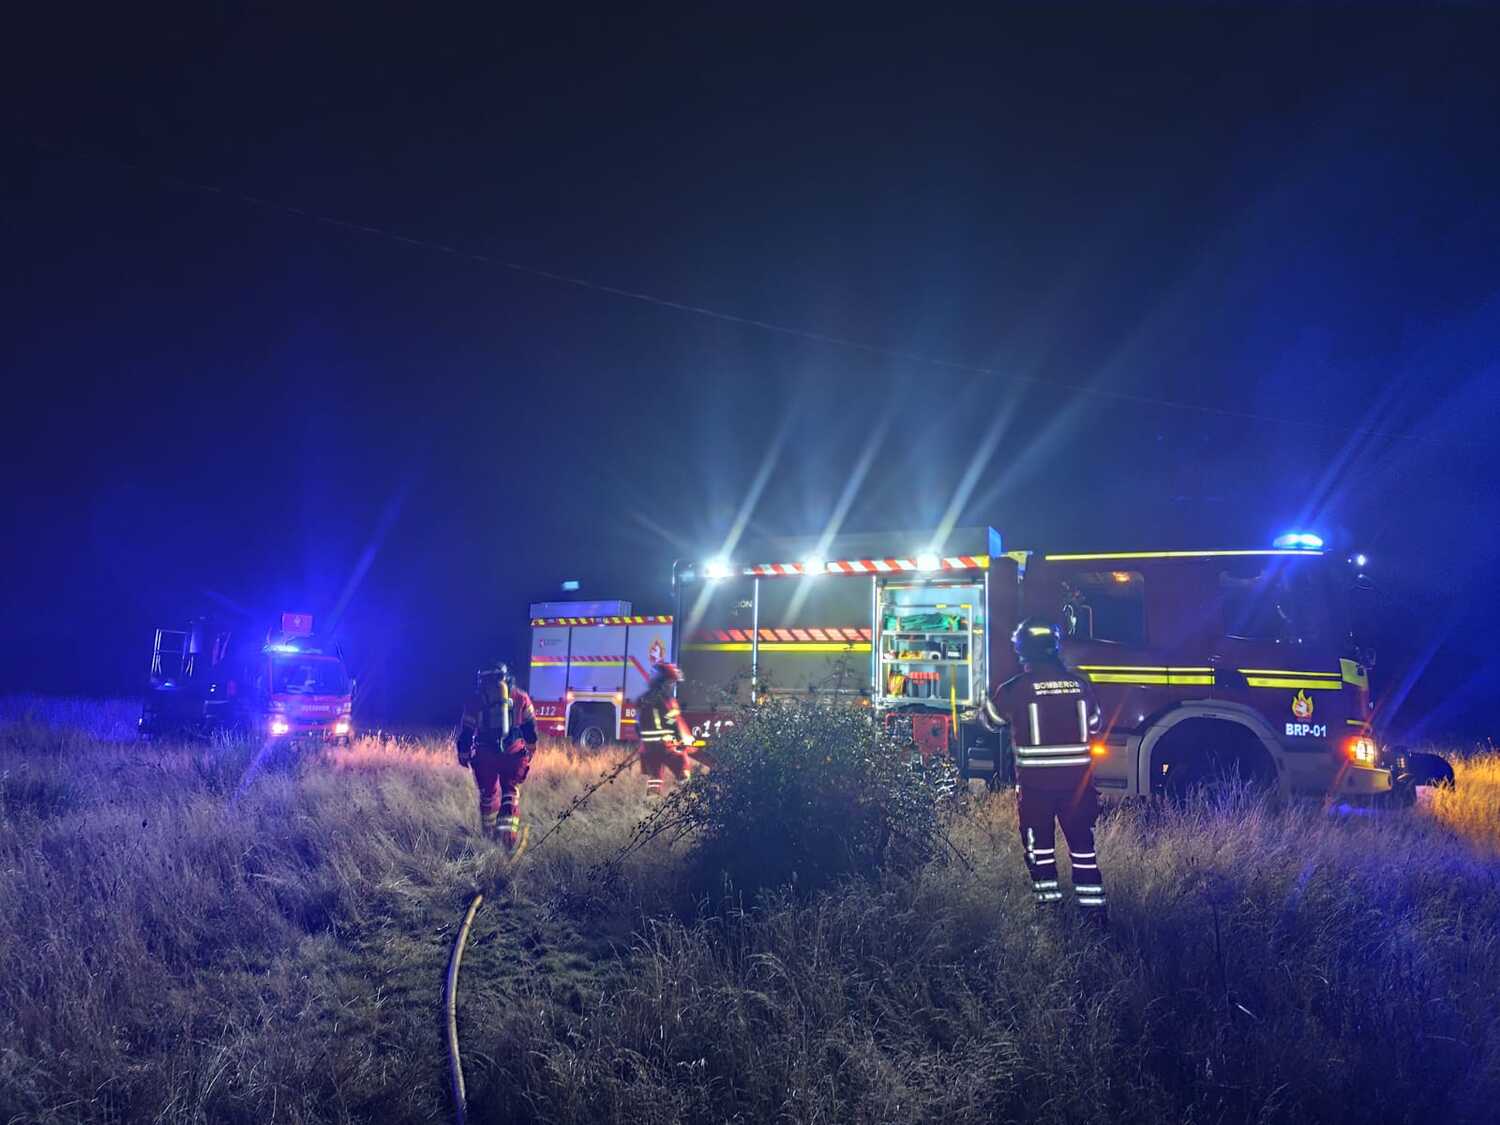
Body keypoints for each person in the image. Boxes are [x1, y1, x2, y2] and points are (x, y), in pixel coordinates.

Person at [982, 620, 1107, 923]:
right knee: (1083, 850)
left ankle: (1050, 915)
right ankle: (1094, 915)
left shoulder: (1014, 689)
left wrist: (988, 698)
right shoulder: (1080, 684)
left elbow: (990, 721)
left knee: (1041, 853)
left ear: (1022, 651)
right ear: (1055, 647)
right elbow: (1095, 724)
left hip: (1037, 790)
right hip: (1078, 787)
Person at [457, 662, 538, 850]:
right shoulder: (520, 697)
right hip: (514, 755)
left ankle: (488, 838)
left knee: (488, 795)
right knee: (510, 794)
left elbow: (467, 731)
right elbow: (530, 728)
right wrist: (531, 749)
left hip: (485, 757)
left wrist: (463, 753)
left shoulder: (474, 701)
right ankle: (508, 842)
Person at [635, 661, 695, 795]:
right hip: (666, 746)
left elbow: (637, 726)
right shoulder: (666, 700)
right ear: (662, 682)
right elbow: (674, 721)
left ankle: (651, 803)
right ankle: (686, 799)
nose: (672, 686)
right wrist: (682, 740)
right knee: (683, 768)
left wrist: (645, 740)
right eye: (670, 683)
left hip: (648, 749)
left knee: (655, 777)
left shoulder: (643, 699)